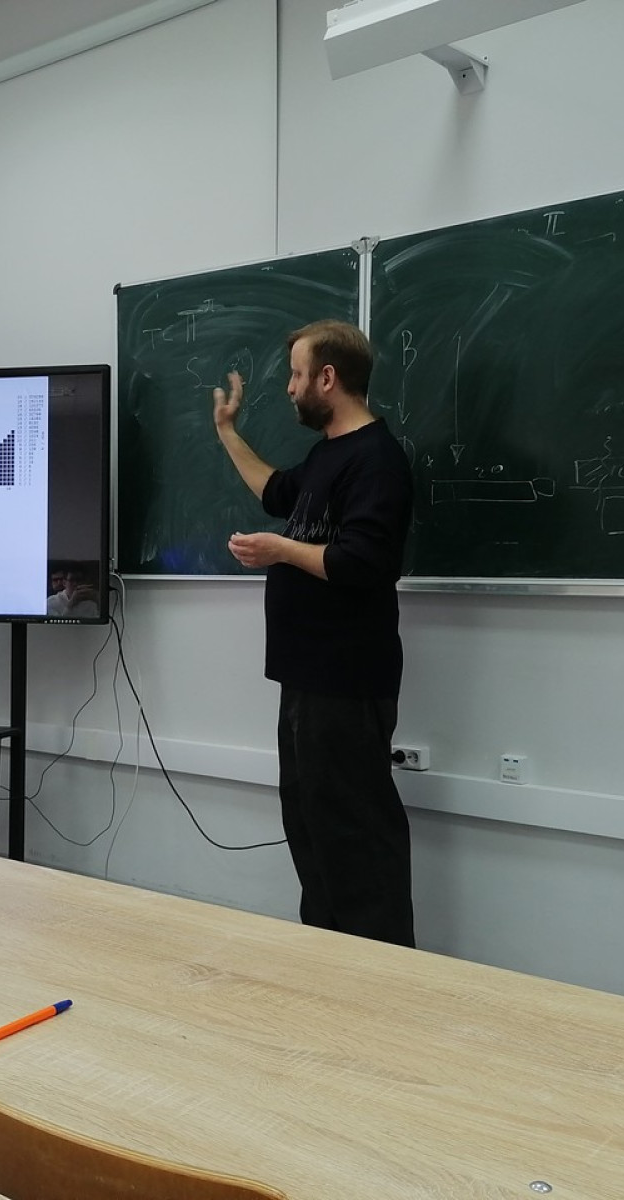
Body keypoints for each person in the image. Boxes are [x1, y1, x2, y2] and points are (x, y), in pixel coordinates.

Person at [212, 319, 416, 947]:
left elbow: (363, 562)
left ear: (328, 378)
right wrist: (227, 432)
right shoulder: (329, 453)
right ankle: (326, 963)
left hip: (346, 680)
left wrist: (280, 550)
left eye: (298, 374)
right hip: (305, 677)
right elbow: (276, 492)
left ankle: (379, 977)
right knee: (312, 830)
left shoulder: (377, 460)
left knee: (356, 840)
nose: (290, 387)